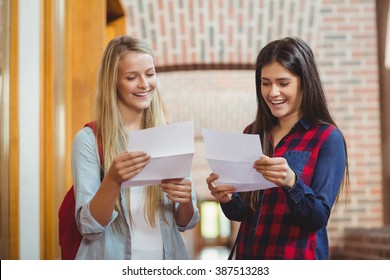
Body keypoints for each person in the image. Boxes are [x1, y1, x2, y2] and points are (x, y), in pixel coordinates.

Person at [206, 37, 349, 260]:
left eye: (283, 83)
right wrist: (227, 197)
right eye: (266, 83)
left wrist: (291, 183)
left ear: (304, 82)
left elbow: (317, 219)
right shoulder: (252, 132)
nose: (273, 93)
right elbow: (242, 213)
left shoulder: (327, 138)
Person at [71, 35, 199, 259]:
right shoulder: (89, 140)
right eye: (132, 77)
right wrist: (112, 180)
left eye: (150, 74)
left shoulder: (170, 136)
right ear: (113, 82)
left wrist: (186, 199)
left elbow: (185, 223)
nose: (144, 84)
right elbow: (89, 227)